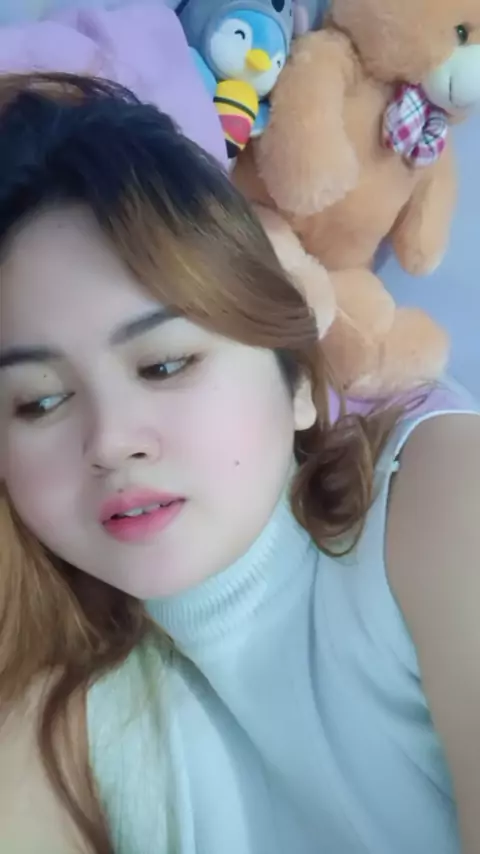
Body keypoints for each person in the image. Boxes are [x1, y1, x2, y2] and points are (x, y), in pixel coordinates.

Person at [0, 72, 479, 854]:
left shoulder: (442, 493)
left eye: (165, 364)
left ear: (299, 382)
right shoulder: (55, 713)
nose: (110, 441)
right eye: (40, 402)